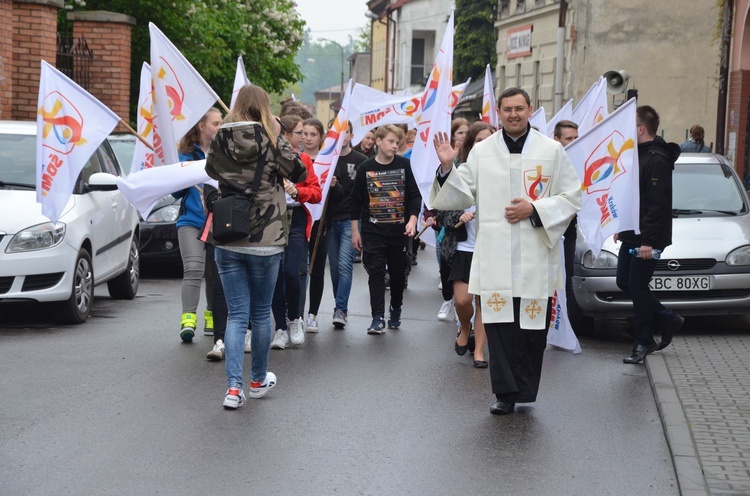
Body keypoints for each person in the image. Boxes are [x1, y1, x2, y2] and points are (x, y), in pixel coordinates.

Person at [431, 87, 581, 415]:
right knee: (499, 329)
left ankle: (525, 390)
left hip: (534, 257)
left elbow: (572, 197)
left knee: (530, 331)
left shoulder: (552, 150)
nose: (513, 114)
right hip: (497, 257)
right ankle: (504, 394)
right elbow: (459, 195)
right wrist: (446, 168)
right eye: (507, 109)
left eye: (519, 108)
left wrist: (535, 209)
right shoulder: (483, 152)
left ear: (529, 110)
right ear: (498, 113)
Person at [205, 84, 308, 409]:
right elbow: (300, 171)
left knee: (237, 315)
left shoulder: (221, 135)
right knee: (262, 313)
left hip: (229, 233)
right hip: (266, 236)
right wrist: (277, 134)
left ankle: (233, 390)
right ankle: (257, 379)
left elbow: (210, 170)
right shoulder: (270, 137)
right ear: (265, 108)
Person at [616, 105, 684, 364]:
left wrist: (648, 242)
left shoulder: (656, 159)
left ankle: (643, 341)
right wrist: (620, 227)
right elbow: (632, 196)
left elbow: (656, 205)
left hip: (648, 237)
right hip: (631, 233)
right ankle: (668, 318)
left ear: (640, 129)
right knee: (625, 281)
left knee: (636, 285)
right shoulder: (636, 154)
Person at [429, 121, 496, 367]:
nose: (485, 146)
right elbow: (443, 211)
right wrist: (460, 216)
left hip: (491, 248)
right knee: (463, 301)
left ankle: (479, 351)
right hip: (464, 248)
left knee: (484, 301)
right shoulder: (461, 170)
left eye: (490, 140)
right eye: (479, 141)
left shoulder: (504, 171)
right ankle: (465, 327)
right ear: (471, 145)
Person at [351, 124, 421, 334]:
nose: (394, 145)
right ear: (378, 141)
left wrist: (412, 220)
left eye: (397, 142)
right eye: (390, 141)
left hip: (399, 232)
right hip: (373, 232)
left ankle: (396, 307)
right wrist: (355, 231)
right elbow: (355, 201)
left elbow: (414, 195)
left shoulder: (405, 165)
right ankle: (377, 317)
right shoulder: (365, 168)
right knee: (376, 272)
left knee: (398, 274)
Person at [269, 115, 321, 350]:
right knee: (274, 276)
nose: (304, 136)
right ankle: (280, 327)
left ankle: (295, 319)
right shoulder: (269, 158)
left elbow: (316, 193)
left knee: (291, 272)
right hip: (271, 219)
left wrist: (299, 193)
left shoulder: (304, 160)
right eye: (300, 132)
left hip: (297, 219)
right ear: (287, 135)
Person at [174, 108, 222, 342]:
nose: (220, 127)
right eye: (215, 123)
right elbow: (175, 192)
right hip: (191, 221)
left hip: (217, 222)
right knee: (193, 268)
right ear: (202, 127)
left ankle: (212, 314)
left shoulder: (224, 152)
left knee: (214, 273)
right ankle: (188, 319)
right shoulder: (184, 154)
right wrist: (179, 176)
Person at [314, 121, 367, 330]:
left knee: (345, 265)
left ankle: (341, 309)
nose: (339, 136)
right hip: (329, 220)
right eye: (335, 132)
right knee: (335, 269)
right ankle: (340, 304)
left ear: (352, 136)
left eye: (344, 132)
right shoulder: (326, 160)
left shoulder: (361, 161)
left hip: (350, 219)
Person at [299, 118, 326, 332]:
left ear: (320, 137)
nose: (308, 138)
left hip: (322, 221)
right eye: (304, 134)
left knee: (316, 269)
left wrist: (334, 185)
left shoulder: (328, 159)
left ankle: (313, 314)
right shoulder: (296, 159)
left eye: (312, 134)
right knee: (299, 269)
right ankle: (296, 314)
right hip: (300, 218)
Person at [553, 119, 580, 313]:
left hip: (570, 231)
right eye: (569, 138)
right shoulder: (550, 161)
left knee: (567, 277)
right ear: (557, 139)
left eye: (576, 138)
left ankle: (566, 324)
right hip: (549, 229)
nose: (574, 142)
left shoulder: (580, 161)